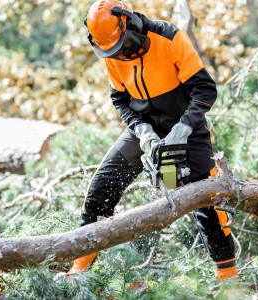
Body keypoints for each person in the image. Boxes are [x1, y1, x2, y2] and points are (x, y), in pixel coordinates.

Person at [68, 0, 238, 282]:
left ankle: (229, 280)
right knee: (101, 187)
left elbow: (205, 88)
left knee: (208, 200)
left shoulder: (169, 38)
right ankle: (78, 272)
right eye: (113, 51)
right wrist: (143, 132)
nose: (120, 54)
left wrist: (183, 128)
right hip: (144, 128)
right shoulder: (111, 50)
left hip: (185, 125)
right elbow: (120, 99)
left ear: (130, 24)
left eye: (122, 46)